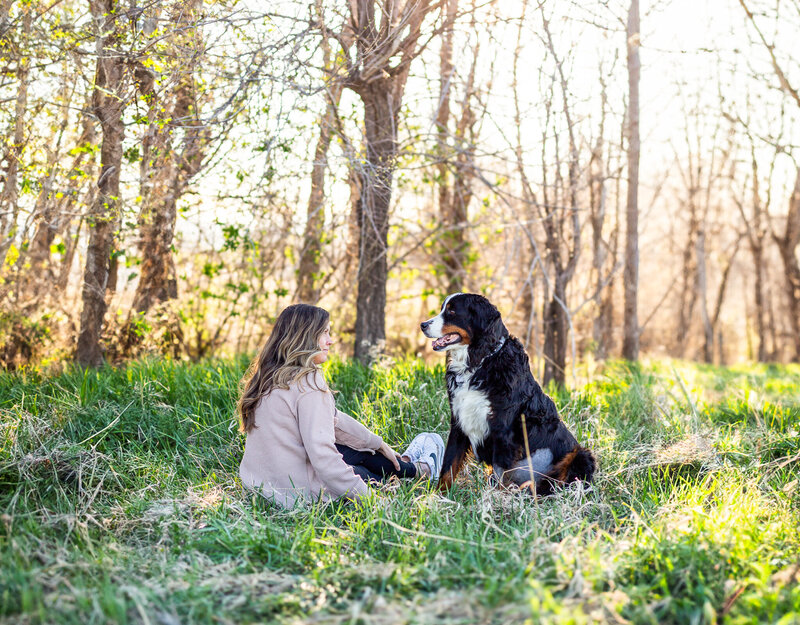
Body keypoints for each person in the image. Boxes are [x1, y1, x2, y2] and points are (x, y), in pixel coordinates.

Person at [237, 303, 444, 508]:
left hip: (261, 484)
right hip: (301, 493)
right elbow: (324, 457)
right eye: (324, 333)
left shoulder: (269, 377)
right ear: (305, 338)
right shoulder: (309, 383)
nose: (331, 341)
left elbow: (332, 419)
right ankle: (419, 472)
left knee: (359, 449)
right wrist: (373, 501)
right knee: (359, 473)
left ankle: (409, 464)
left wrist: (378, 443)